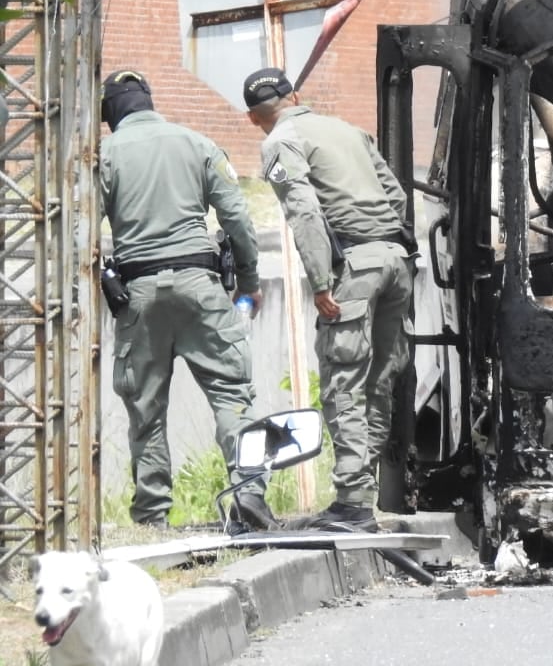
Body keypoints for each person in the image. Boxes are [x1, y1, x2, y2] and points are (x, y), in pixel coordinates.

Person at [98, 69, 273, 531]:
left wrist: (99, 273)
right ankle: (249, 491)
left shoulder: (105, 154)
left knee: (145, 408)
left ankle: (152, 518)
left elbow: (78, 228)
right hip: (201, 285)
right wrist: (249, 279)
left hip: (138, 294)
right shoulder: (198, 144)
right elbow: (236, 216)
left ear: (110, 114)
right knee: (232, 394)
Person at [243, 67, 413, 530]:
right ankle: (364, 491)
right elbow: (396, 196)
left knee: (343, 384)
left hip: (354, 269)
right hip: (396, 260)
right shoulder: (348, 130)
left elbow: (304, 211)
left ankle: (354, 502)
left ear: (254, 117)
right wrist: (387, 246)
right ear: (296, 95)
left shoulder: (280, 141)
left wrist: (320, 281)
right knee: (378, 381)